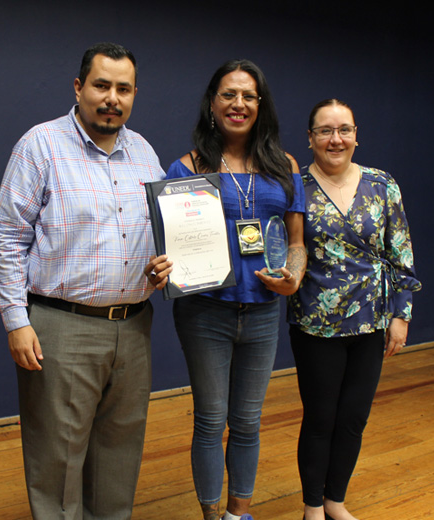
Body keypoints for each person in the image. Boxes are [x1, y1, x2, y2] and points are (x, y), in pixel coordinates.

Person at [0, 42, 172, 520]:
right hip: (62, 327)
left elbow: (153, 232)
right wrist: (16, 321)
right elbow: (6, 236)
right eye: (101, 85)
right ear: (78, 87)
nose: (112, 98)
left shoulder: (144, 152)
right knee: (58, 457)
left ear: (134, 95)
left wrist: (159, 265)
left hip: (133, 326)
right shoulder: (41, 145)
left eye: (123, 89)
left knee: (119, 451)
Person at [166, 59, 307, 520]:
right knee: (210, 420)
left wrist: (293, 276)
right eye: (229, 94)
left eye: (248, 95)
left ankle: (238, 514)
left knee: (247, 421)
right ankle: (212, 517)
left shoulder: (284, 166)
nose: (238, 104)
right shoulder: (187, 167)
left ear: (260, 105)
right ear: (213, 103)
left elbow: (297, 243)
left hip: (264, 312)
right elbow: (172, 243)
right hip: (205, 312)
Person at [287, 99, 422, 520]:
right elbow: (286, 247)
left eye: (344, 130)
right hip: (316, 324)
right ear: (310, 138)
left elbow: (401, 253)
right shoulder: (296, 187)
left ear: (356, 135)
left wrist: (401, 314)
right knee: (320, 418)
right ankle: (312, 506)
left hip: (371, 321)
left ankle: (335, 501)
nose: (336, 139)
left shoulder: (382, 185)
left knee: (353, 418)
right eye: (325, 131)